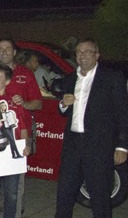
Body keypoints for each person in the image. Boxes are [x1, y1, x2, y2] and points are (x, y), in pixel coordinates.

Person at [55, 39, 128, 218]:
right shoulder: (70, 79)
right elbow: (64, 111)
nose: (83, 55)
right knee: (65, 193)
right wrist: (63, 104)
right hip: (73, 145)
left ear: (97, 55)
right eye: (79, 52)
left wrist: (122, 146)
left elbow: (122, 113)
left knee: (100, 195)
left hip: (99, 145)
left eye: (88, 52)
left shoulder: (111, 77)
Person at [0, 38, 42, 218]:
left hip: (17, 136)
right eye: (0, 49)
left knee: (14, 187)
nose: (4, 52)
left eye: (8, 48)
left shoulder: (25, 74)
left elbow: (37, 103)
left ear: (14, 52)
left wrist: (24, 104)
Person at [0, 64, 32, 218]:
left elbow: (23, 127)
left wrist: (26, 145)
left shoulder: (14, 102)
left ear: (8, 81)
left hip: (11, 154)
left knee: (12, 193)